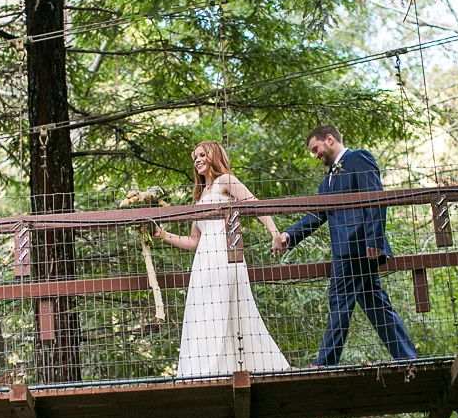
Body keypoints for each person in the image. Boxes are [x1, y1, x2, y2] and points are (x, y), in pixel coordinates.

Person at [273, 125, 417, 367]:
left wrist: (374, 241)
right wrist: (289, 235)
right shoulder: (326, 183)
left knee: (339, 299)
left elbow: (376, 199)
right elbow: (316, 216)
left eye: (316, 149)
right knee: (375, 304)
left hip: (359, 247)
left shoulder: (358, 158)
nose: (315, 155)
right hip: (345, 251)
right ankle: (409, 358)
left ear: (329, 139)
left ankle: (325, 363)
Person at [154, 141, 291, 377]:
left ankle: (262, 365)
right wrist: (163, 235)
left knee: (225, 310)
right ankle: (205, 373)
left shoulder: (224, 181)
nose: (197, 160)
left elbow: (253, 203)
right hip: (203, 261)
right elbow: (194, 241)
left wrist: (274, 233)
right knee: (203, 313)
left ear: (213, 155)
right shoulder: (199, 196)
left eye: (201, 155)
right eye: (194, 157)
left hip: (224, 254)